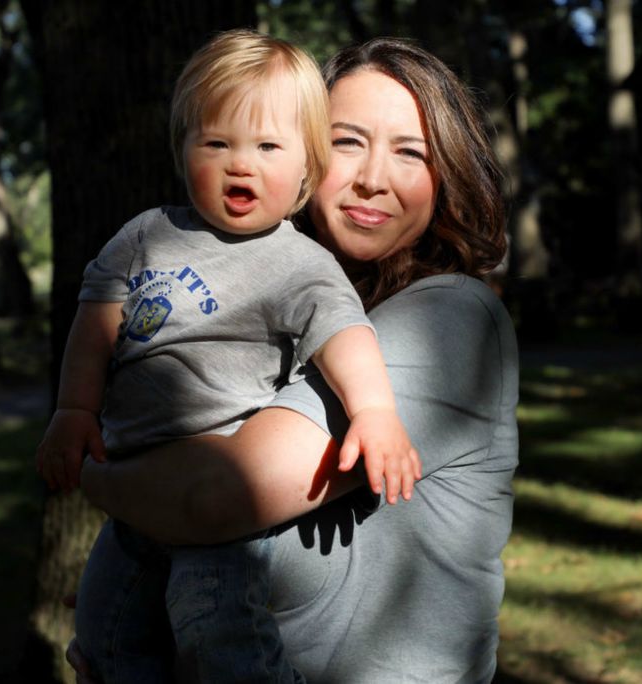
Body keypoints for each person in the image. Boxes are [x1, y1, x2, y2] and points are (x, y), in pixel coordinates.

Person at [73, 36, 519, 683]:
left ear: (446, 173)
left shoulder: (449, 318)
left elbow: (214, 497)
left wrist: (91, 473)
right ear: (306, 153)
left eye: (409, 151)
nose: (372, 176)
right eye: (347, 141)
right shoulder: (278, 316)